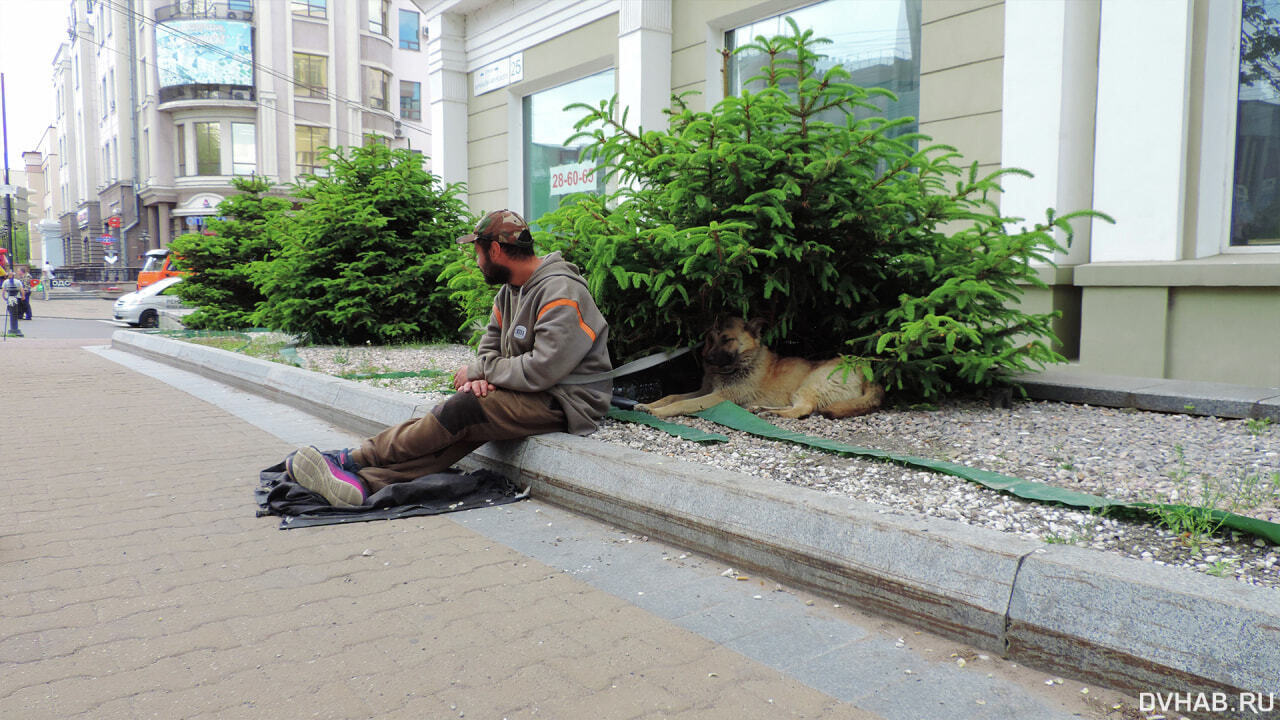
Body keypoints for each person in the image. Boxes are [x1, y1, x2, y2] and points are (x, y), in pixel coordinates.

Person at [287, 209, 613, 507]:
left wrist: (480, 372)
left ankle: (354, 460)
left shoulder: (561, 291)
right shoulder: (508, 291)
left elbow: (542, 370)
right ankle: (365, 484)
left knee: (464, 410)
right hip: (530, 391)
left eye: (477, 251)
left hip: (566, 401)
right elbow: (489, 348)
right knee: (463, 420)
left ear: (495, 251)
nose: (476, 260)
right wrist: (485, 376)